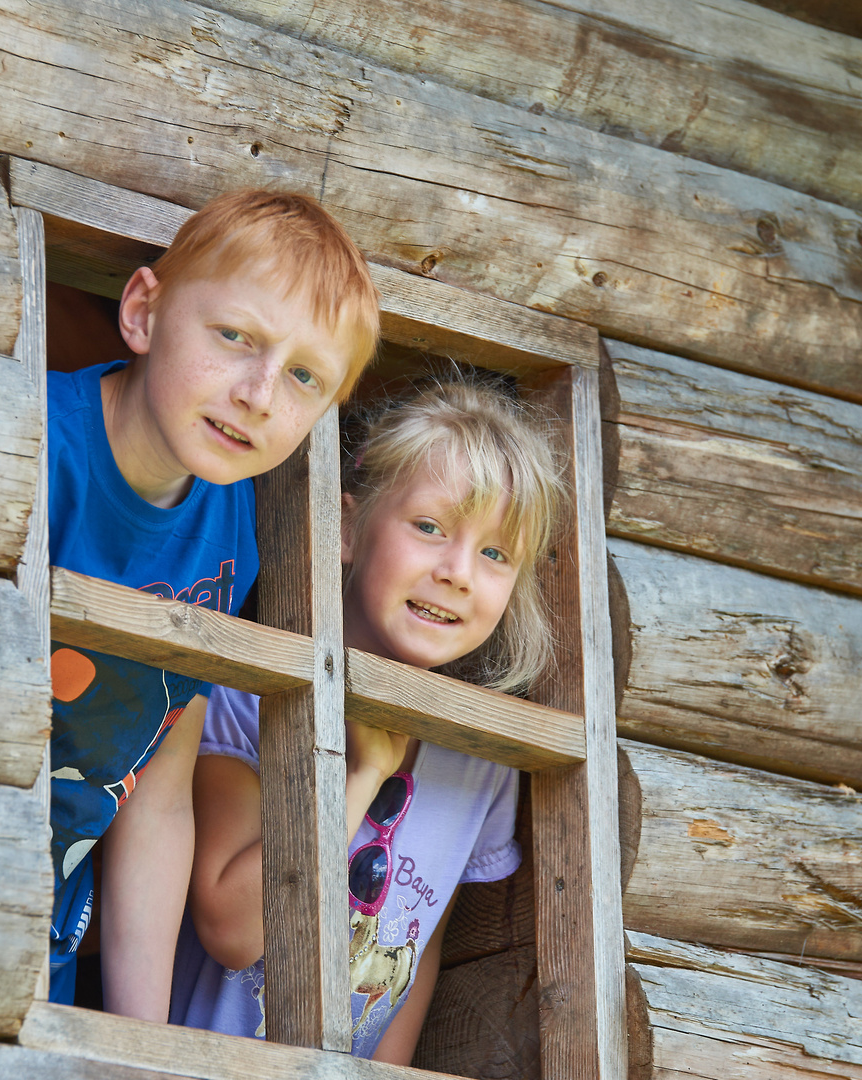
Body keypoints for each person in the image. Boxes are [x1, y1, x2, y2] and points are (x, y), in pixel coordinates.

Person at [47, 189, 382, 1020]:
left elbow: (158, 789)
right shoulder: (41, 450)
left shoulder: (231, 530)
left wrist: (141, 1049)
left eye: (304, 376)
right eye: (235, 337)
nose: (261, 394)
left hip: (45, 930)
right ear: (142, 312)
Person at [169, 379, 567, 1062]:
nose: (458, 573)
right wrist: (363, 774)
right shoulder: (249, 694)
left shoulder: (483, 761)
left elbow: (419, 956)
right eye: (430, 527)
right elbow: (232, 930)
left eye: (496, 554)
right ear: (347, 527)